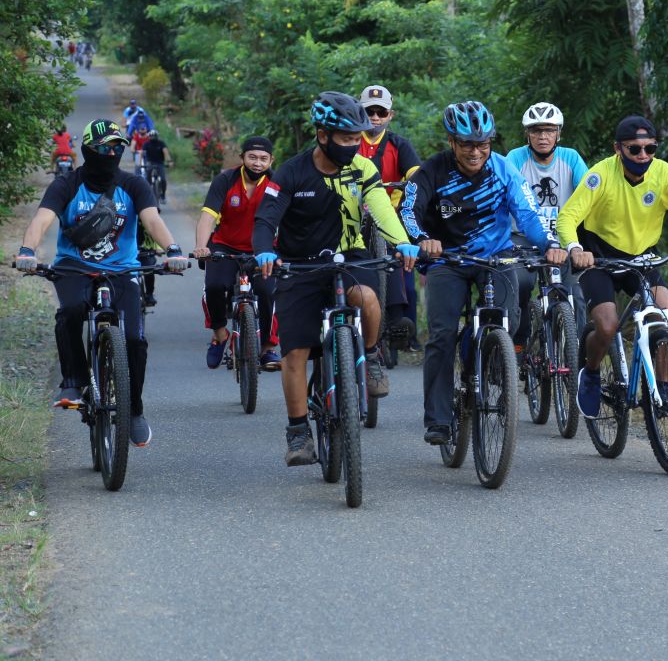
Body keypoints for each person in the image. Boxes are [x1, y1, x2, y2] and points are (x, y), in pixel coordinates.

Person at [253, 92, 418, 467]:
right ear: (322, 135)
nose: (354, 144)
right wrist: (265, 250)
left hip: (350, 257)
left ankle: (371, 355)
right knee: (294, 352)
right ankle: (297, 432)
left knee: (368, 298)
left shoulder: (363, 168)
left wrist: (404, 243)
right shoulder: (292, 172)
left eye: (356, 138)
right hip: (300, 265)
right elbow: (266, 218)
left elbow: (380, 211)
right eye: (345, 138)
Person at [400, 100, 565, 445]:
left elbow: (528, 215)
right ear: (451, 142)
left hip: (496, 256)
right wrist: (423, 239)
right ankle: (440, 419)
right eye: (467, 144)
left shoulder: (504, 169)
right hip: (448, 260)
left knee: (511, 312)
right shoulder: (431, 172)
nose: (476, 152)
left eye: (483, 144)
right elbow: (409, 212)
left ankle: (493, 358)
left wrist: (549, 244)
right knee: (442, 334)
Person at [14, 119, 187, 447]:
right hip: (73, 267)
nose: (112, 153)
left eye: (117, 148)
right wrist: (27, 251)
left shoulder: (133, 185)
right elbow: (43, 218)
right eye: (105, 147)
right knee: (71, 311)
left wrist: (173, 250)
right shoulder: (67, 184)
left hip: (123, 269)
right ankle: (74, 380)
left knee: (135, 340)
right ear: (88, 150)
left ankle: (134, 410)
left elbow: (151, 219)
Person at [556, 115, 668, 419]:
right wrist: (575, 249)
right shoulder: (600, 175)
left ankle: (665, 386)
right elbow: (568, 217)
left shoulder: (663, 173)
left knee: (665, 317)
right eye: (635, 149)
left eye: (650, 148)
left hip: (641, 257)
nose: (643, 156)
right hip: (598, 257)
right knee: (607, 326)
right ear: (618, 149)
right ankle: (589, 372)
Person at [503, 101, 589, 349]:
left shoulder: (571, 158)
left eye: (549, 130)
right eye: (536, 130)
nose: (543, 136)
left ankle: (577, 357)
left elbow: (589, 196)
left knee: (576, 295)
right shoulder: (515, 159)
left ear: (558, 133)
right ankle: (517, 343)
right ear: (527, 134)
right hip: (522, 238)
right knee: (520, 283)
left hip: (562, 239)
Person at [193, 136, 281, 371]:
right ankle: (220, 334)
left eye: (263, 159)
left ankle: (267, 348)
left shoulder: (277, 183)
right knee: (214, 286)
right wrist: (202, 246)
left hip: (262, 250)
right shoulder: (225, 180)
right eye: (252, 157)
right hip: (225, 246)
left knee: (267, 290)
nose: (257, 163)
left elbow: (291, 221)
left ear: (271, 160)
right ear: (242, 157)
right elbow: (207, 217)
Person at [357, 84, 422, 350]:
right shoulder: (349, 141)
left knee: (404, 263)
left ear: (390, 115)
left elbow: (417, 174)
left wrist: (413, 185)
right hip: (353, 216)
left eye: (380, 112)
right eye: (369, 111)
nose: (374, 117)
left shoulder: (399, 144)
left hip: (391, 216)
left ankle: (406, 329)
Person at [142, 129, 171, 201]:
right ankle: (148, 192)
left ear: (157, 136)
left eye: (154, 136)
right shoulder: (146, 144)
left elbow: (166, 152)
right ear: (149, 136)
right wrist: (140, 164)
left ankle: (163, 195)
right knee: (147, 177)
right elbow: (142, 154)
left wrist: (169, 161)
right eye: (151, 136)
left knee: (163, 179)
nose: (153, 138)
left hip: (160, 163)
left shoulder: (161, 143)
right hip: (150, 163)